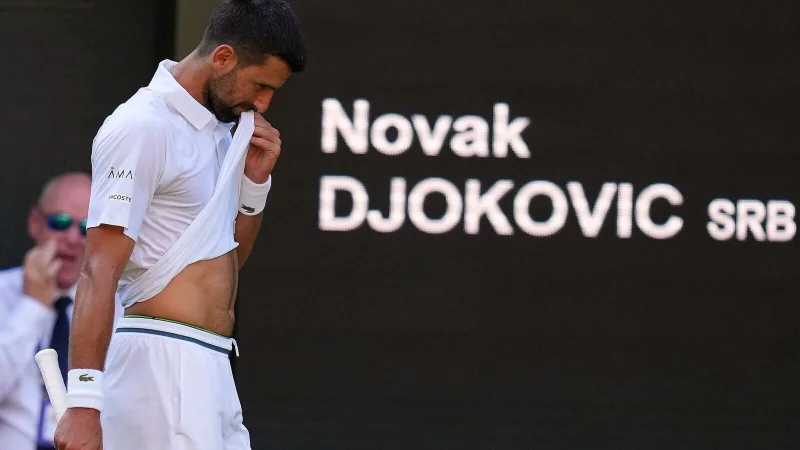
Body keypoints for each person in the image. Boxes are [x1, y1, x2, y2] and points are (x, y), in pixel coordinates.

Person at [53, 0, 307, 449]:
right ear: (223, 57)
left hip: (211, 365)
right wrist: (83, 402)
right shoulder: (141, 125)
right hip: (161, 365)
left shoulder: (221, 133)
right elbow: (98, 269)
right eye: (261, 85)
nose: (264, 103)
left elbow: (224, 263)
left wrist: (254, 187)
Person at [0, 172, 121, 450]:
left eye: (86, 228)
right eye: (60, 222)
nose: (72, 238)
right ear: (35, 223)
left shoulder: (118, 309)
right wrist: (33, 306)